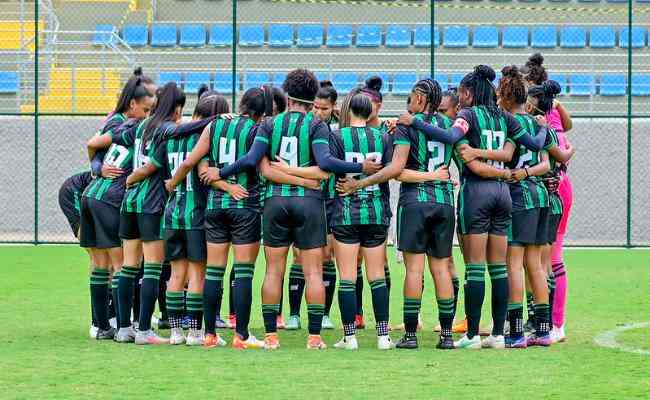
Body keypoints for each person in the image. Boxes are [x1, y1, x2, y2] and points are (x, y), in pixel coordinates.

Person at [208, 68, 381, 350]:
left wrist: (221, 173)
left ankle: (270, 336)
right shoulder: (316, 126)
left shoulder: (269, 125)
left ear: (287, 96)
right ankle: (313, 337)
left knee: (274, 270)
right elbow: (326, 164)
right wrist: (359, 167)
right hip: (309, 203)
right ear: (313, 99)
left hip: (274, 202)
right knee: (313, 271)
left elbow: (252, 159)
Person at [278, 92, 396, 350]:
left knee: (347, 276)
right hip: (376, 212)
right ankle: (384, 337)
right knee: (377, 275)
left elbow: (327, 167)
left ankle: (350, 337)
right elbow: (389, 170)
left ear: (348, 111)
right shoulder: (384, 137)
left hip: (345, 213)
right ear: (370, 112)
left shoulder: (336, 136)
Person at [166, 88, 276, 349]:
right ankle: (242, 335)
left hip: (214, 207)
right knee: (243, 272)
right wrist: (226, 177)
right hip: (244, 204)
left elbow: (193, 162)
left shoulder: (214, 126)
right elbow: (252, 161)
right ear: (261, 114)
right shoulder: (257, 129)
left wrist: (173, 182)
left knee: (214, 272)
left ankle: (210, 334)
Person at [450, 65, 548, 349]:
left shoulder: (467, 115)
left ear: (468, 93)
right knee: (499, 269)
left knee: (475, 268)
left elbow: (451, 140)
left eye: (460, 93)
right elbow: (531, 143)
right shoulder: (504, 117)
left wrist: (416, 123)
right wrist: (542, 131)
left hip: (477, 193)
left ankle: (470, 336)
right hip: (504, 194)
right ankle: (497, 334)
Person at [82, 68, 156, 340]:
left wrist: (96, 167)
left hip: (90, 195)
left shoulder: (119, 124)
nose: (149, 115)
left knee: (100, 264)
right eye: (147, 109)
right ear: (133, 104)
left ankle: (101, 325)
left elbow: (92, 143)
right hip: (109, 198)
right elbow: (93, 145)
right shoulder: (134, 127)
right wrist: (97, 167)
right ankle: (121, 324)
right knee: (121, 264)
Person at [391, 78, 464, 349]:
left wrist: (426, 176)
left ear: (420, 99)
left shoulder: (407, 124)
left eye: (411, 95)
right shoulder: (450, 125)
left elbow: (398, 171)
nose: (409, 100)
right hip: (444, 202)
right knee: (442, 268)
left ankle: (410, 335)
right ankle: (446, 336)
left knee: (414, 269)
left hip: (414, 203)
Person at [492, 66, 553, 348]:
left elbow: (506, 157)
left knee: (513, 265)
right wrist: (529, 173)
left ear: (504, 98)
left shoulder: (507, 123)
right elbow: (546, 164)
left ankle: (516, 333)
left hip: (519, 197)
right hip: (540, 196)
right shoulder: (534, 123)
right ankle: (543, 330)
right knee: (535, 265)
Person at [523, 53, 574, 342]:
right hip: (550, 186)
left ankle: (555, 323)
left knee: (550, 258)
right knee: (539, 258)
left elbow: (559, 147)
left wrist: (562, 161)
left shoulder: (546, 119)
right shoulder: (547, 115)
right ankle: (543, 321)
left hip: (554, 189)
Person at [286, 80, 339, 331]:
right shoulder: (305, 128)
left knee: (327, 256)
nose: (319, 112)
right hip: (303, 197)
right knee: (298, 256)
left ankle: (325, 314)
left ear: (333, 108)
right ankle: (294, 314)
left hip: (329, 200)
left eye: (324, 109)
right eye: (316, 107)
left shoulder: (338, 132)